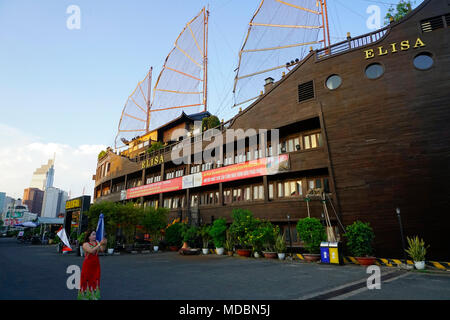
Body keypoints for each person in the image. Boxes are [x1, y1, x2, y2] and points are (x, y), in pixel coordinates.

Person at [77, 229, 107, 300]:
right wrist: (99, 244)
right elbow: (91, 251)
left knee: (95, 279)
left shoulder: (96, 242)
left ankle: (94, 296)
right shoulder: (85, 244)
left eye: (95, 234)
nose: (95, 236)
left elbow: (102, 250)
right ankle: (85, 297)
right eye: (93, 234)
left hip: (96, 265)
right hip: (88, 265)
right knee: (86, 280)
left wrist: (104, 243)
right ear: (89, 237)